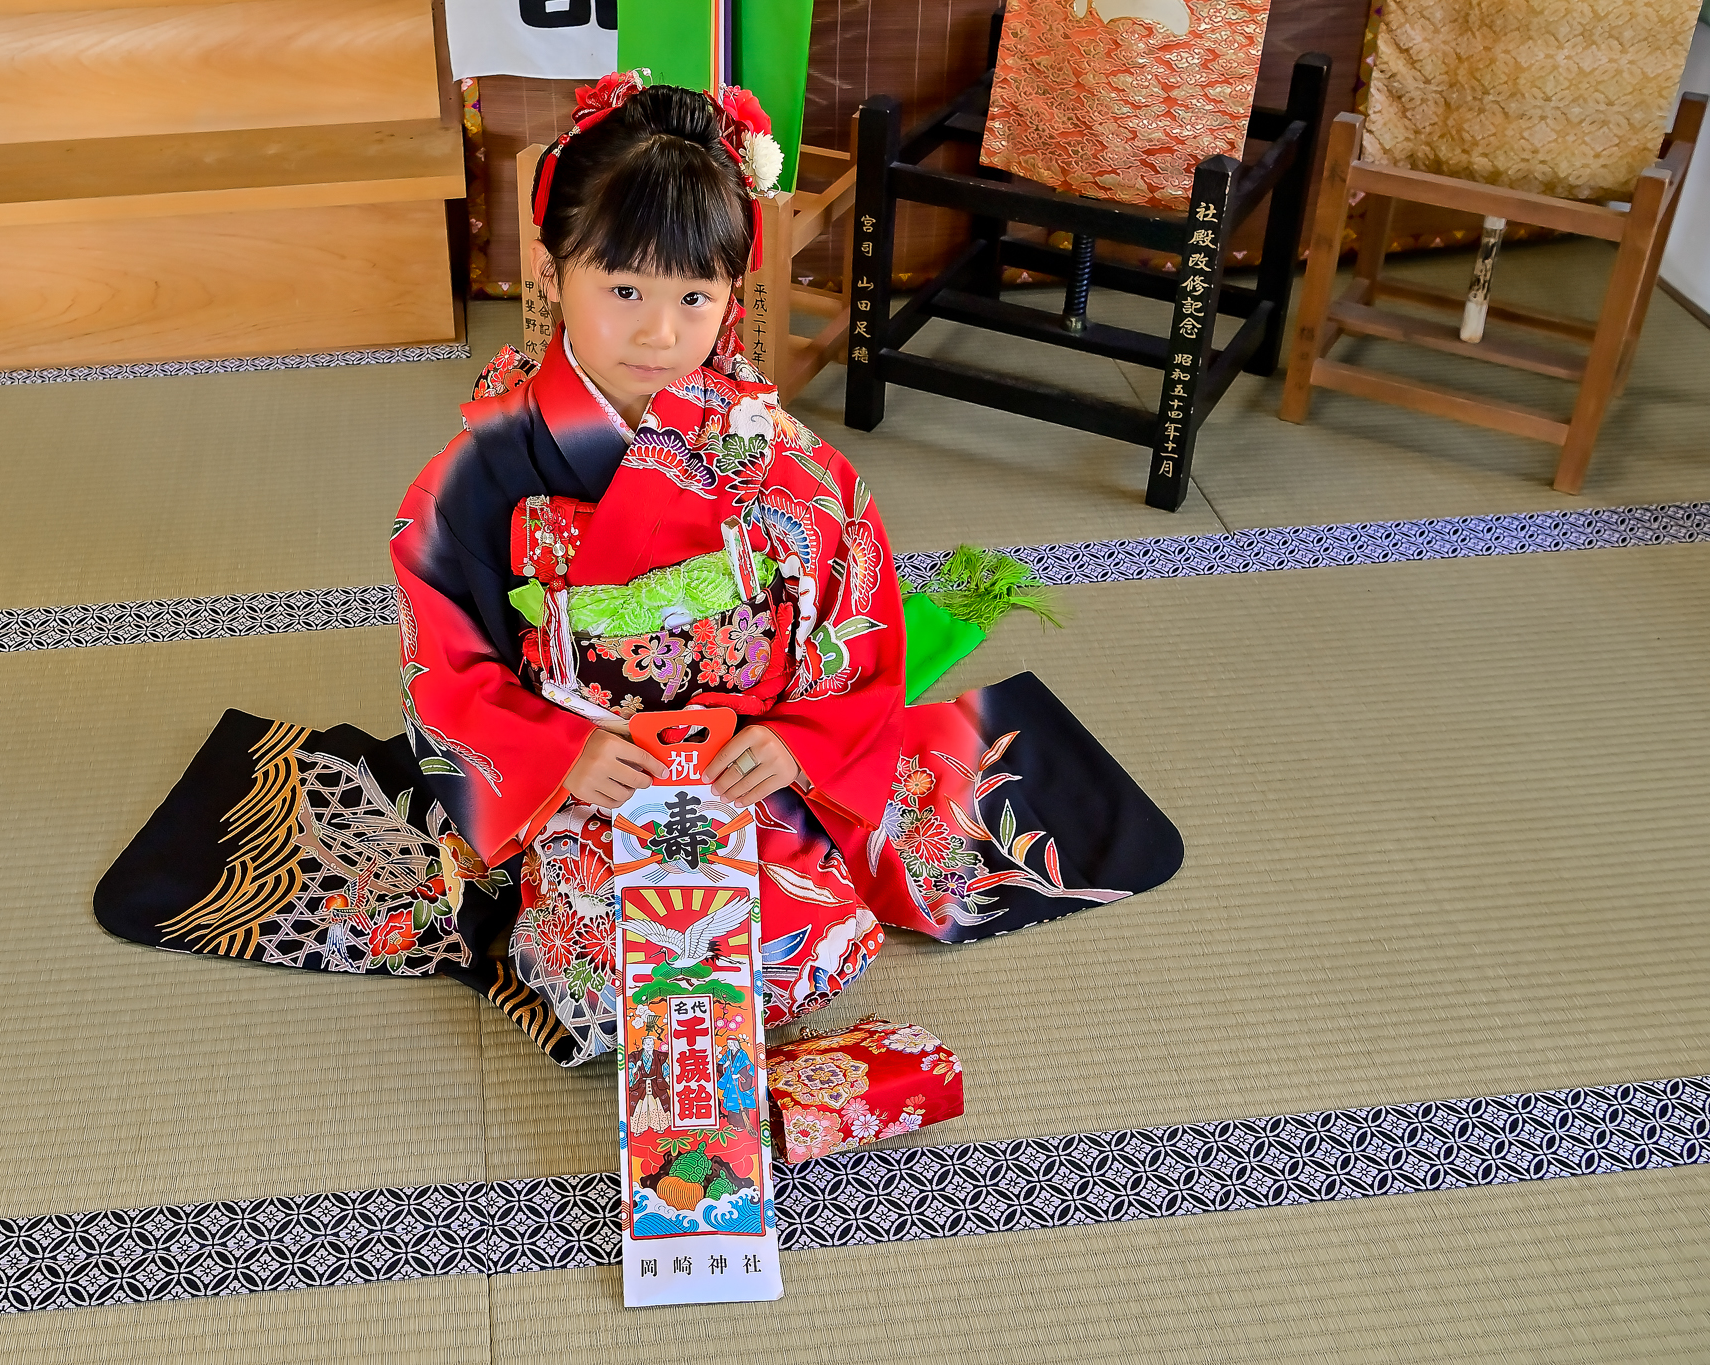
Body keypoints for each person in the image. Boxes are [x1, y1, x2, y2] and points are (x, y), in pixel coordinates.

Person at [95, 74, 1183, 1068]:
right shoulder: (483, 473)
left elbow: (853, 627)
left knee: (813, 946)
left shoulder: (790, 468)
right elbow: (445, 654)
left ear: (729, 293)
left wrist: (790, 743)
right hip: (577, 778)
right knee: (603, 988)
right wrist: (561, 752)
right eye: (622, 290)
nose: (661, 333)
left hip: (735, 774)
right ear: (552, 268)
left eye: (696, 298)